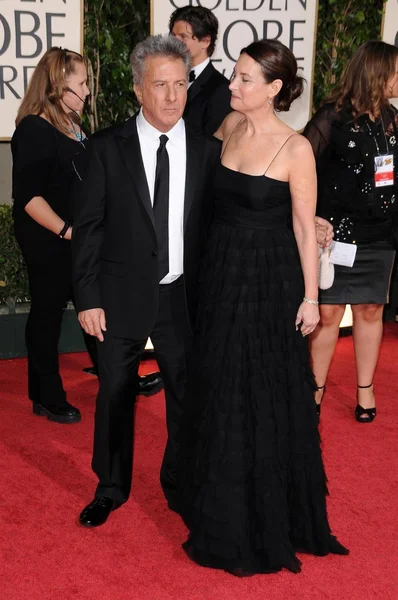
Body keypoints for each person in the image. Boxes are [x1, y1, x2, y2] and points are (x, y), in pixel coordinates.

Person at [178, 39, 348, 576]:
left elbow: (303, 226)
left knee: (261, 391)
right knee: (221, 384)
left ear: (274, 89)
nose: (234, 85)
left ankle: (262, 515)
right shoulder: (228, 126)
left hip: (268, 281)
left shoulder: (296, 149)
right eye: (235, 75)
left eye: (246, 79)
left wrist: (310, 298)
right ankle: (217, 500)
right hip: (221, 273)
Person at [73, 34, 221, 527]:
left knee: (186, 394)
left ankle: (179, 482)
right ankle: (111, 486)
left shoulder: (206, 151)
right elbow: (88, 230)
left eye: (181, 84)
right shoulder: (105, 148)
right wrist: (88, 297)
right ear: (138, 89)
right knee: (115, 393)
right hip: (118, 296)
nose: (173, 96)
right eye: (161, 85)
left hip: (182, 296)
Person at [303, 41, 398, 422]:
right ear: (376, 73)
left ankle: (365, 390)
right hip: (335, 239)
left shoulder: (393, 118)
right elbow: (300, 171)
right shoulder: (332, 118)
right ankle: (314, 388)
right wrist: (313, 218)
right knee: (328, 315)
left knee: (371, 310)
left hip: (381, 236)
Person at [11, 46, 95, 424]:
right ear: (60, 86)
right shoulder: (34, 128)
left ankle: (116, 376)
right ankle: (46, 395)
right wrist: (66, 231)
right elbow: (28, 197)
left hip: (76, 237)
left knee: (96, 304)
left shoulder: (74, 124)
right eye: (82, 83)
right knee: (47, 314)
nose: (88, 90)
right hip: (48, 237)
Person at [170, 5, 231, 136]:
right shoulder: (165, 78)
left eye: (183, 36)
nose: (175, 42)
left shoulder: (221, 89)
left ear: (205, 41)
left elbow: (213, 147)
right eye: (173, 35)